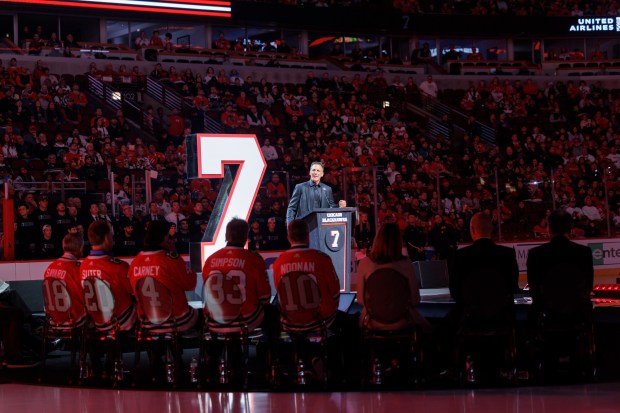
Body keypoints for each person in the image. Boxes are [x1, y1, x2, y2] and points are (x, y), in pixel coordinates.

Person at [129, 221, 199, 332]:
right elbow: (191, 285)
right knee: (199, 314)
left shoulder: (135, 261)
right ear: (164, 237)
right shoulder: (170, 259)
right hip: (176, 320)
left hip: (147, 322)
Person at [272, 219, 341, 332]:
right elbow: (335, 294)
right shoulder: (322, 259)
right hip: (321, 320)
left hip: (290, 322)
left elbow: (280, 294)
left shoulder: (279, 262)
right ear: (307, 236)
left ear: (289, 237)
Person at [357, 222, 426, 331]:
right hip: (402, 322)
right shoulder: (406, 263)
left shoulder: (365, 263)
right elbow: (415, 300)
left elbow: (360, 300)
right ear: (398, 241)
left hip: (372, 323)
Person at [527, 209, 593, 320]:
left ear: (549, 228)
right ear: (571, 227)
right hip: (577, 313)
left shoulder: (535, 254)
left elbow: (534, 289)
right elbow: (588, 287)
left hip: (547, 314)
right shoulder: (584, 252)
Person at [451, 212, 519, 317]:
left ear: (472, 229)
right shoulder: (507, 254)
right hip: (502, 316)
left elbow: (455, 292)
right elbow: (513, 287)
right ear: (491, 229)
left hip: (470, 317)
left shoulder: (461, 256)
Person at [81, 221, 136, 331]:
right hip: (121, 322)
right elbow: (134, 292)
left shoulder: (83, 266)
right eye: (111, 235)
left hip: (96, 322)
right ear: (106, 238)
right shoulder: (119, 266)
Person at [44, 233, 87, 329]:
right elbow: (85, 298)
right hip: (74, 321)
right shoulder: (77, 269)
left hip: (53, 321)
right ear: (80, 248)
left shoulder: (50, 267)